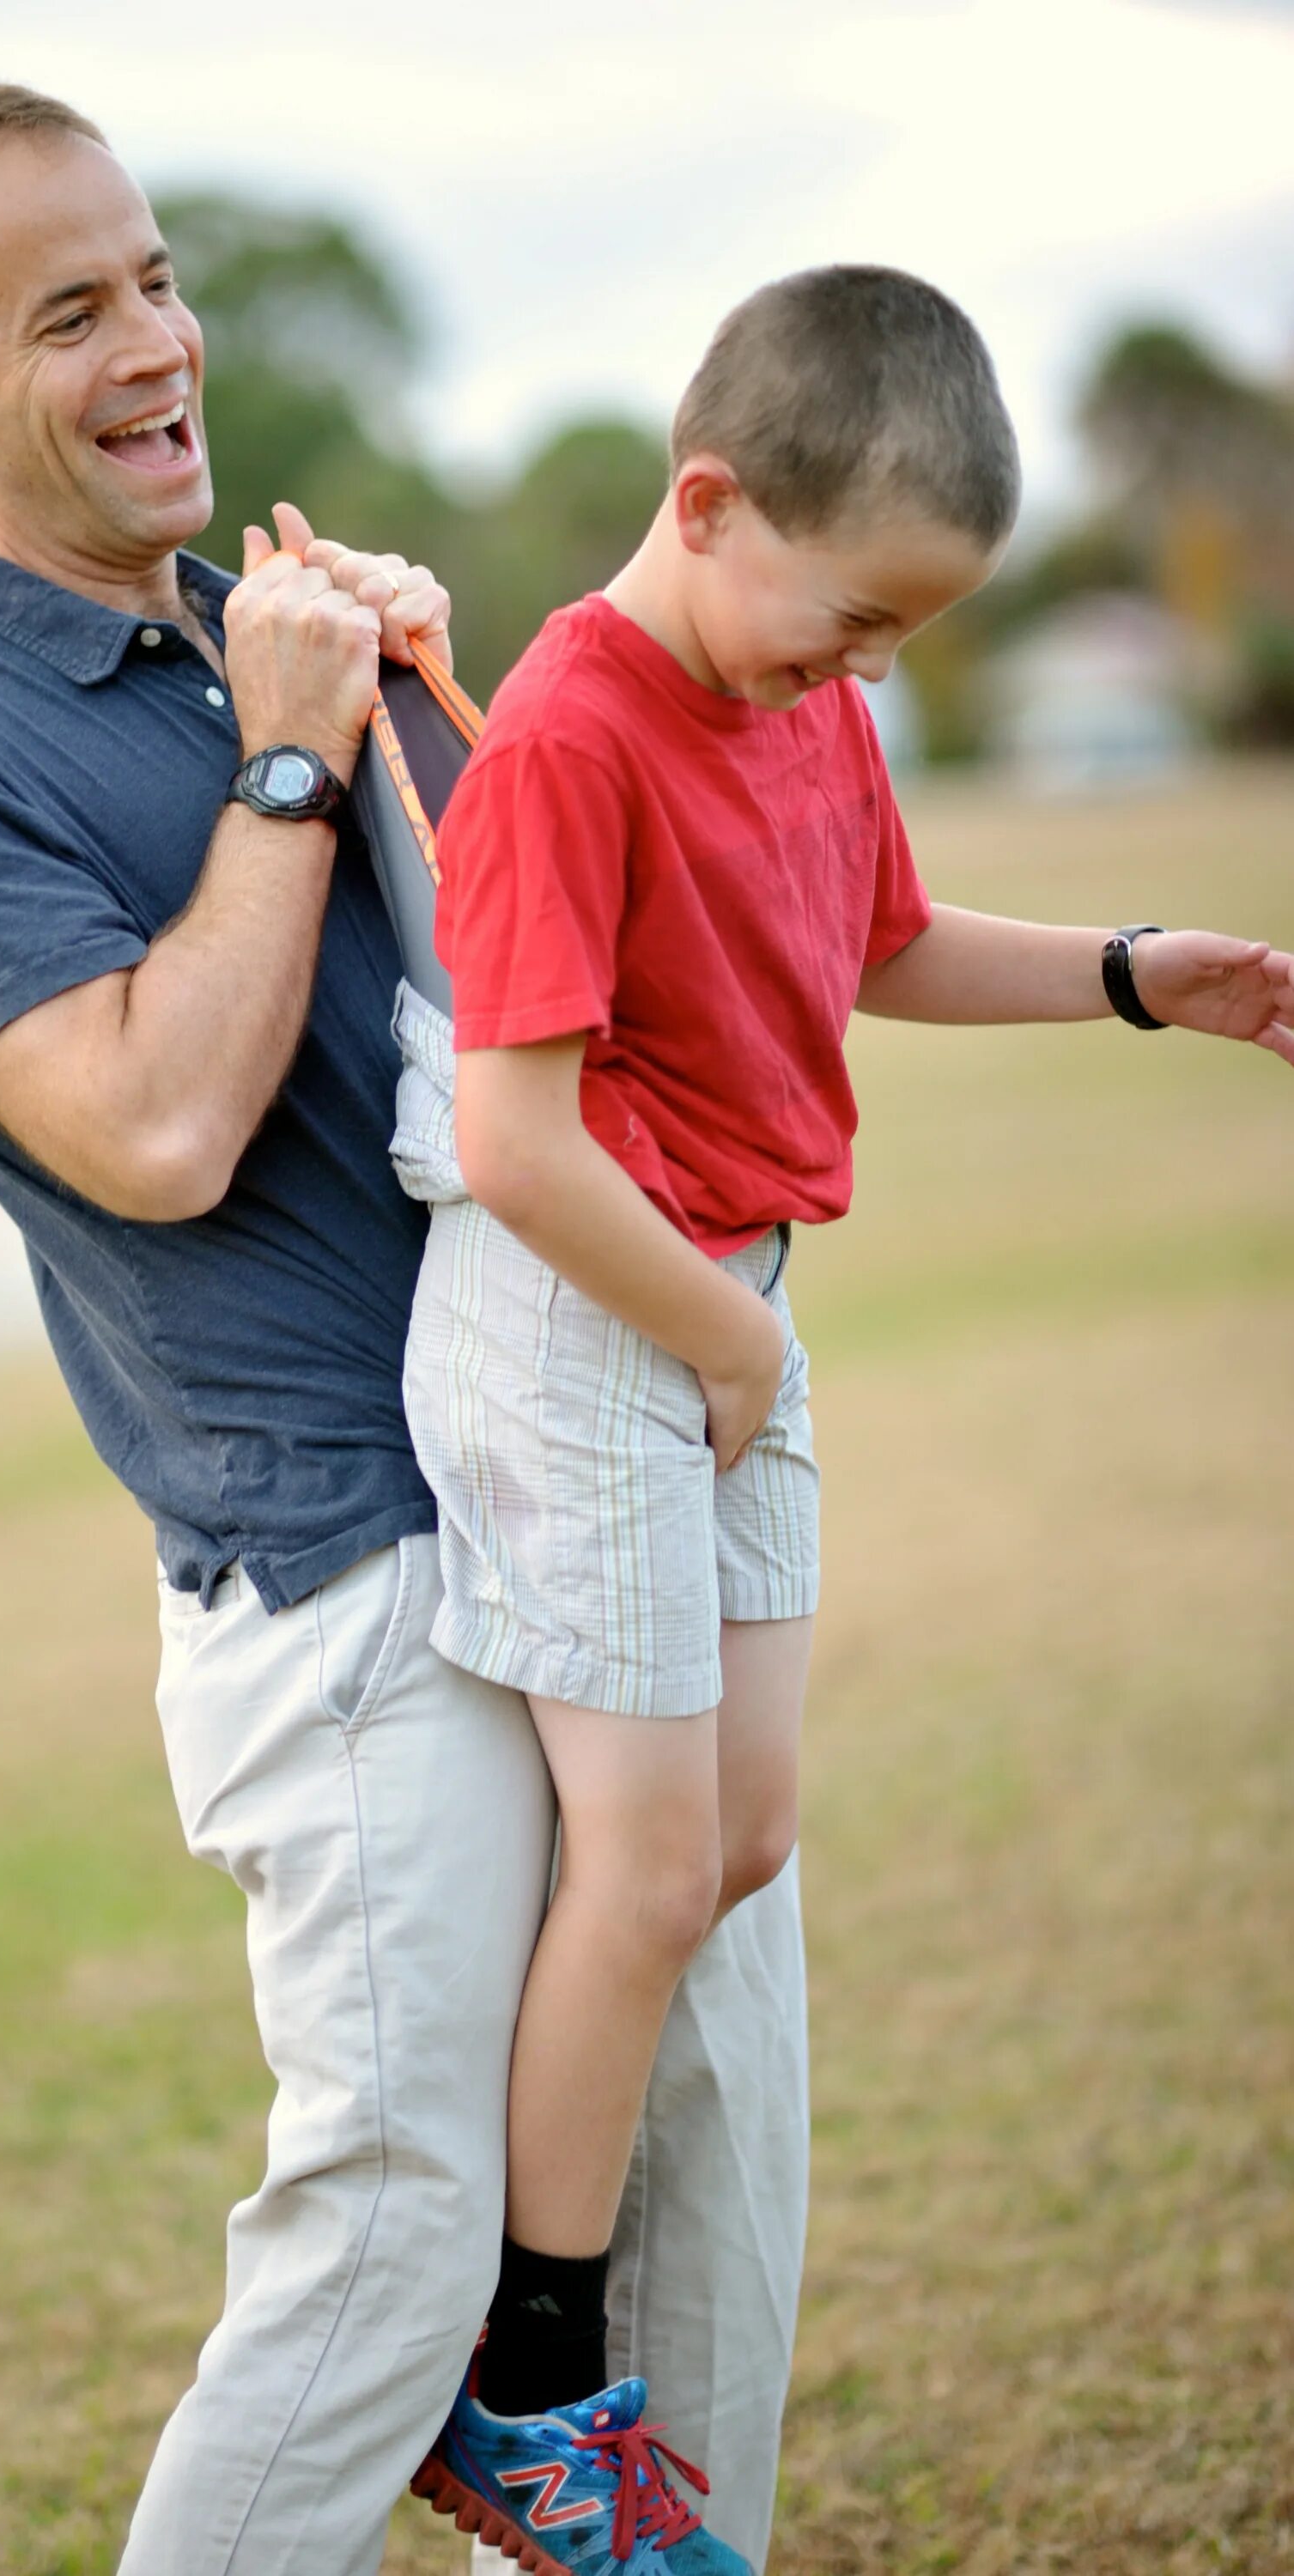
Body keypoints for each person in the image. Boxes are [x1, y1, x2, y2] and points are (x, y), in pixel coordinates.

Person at [0, 77, 814, 2576]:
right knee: (383, 2261)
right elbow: (150, 1131)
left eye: (152, 278)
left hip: (581, 1498)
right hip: (345, 1579)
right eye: (68, 315)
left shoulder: (296, 633)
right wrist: (278, 756)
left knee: (708, 2211)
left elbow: (537, 1019)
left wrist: (428, 707)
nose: (157, 345)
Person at [389, 263, 1294, 2570]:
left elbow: (871, 939)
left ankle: (544, 2306)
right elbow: (513, 1137)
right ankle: (522, 2376)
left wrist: (1125, 977)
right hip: (603, 1306)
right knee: (659, 1861)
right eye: (851, 621)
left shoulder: (805, 704)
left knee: (750, 1836)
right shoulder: (575, 732)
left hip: (729, 1311)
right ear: (709, 505)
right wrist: (730, 1342)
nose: (866, 673)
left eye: (904, 636)